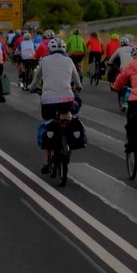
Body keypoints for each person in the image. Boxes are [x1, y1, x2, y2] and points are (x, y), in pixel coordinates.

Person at [28, 38, 82, 173]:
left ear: (50, 49)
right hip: (67, 99)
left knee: (47, 125)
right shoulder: (69, 60)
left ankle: (46, 161)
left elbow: (36, 79)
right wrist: (78, 87)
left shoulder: (44, 60)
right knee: (67, 118)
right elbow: (77, 81)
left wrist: (30, 88)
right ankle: (67, 145)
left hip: (48, 100)